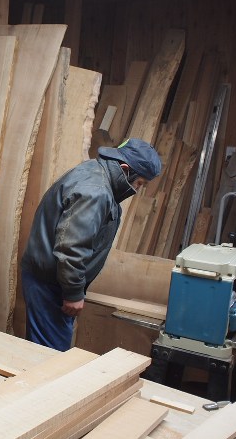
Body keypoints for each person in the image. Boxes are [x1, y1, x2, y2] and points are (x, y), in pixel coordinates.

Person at [21, 138, 162, 351]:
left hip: (51, 278)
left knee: (43, 350)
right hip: (51, 284)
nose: (136, 188)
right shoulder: (95, 191)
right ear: (125, 169)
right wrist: (73, 293)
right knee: (49, 357)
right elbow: (72, 248)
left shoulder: (95, 173)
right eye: (139, 183)